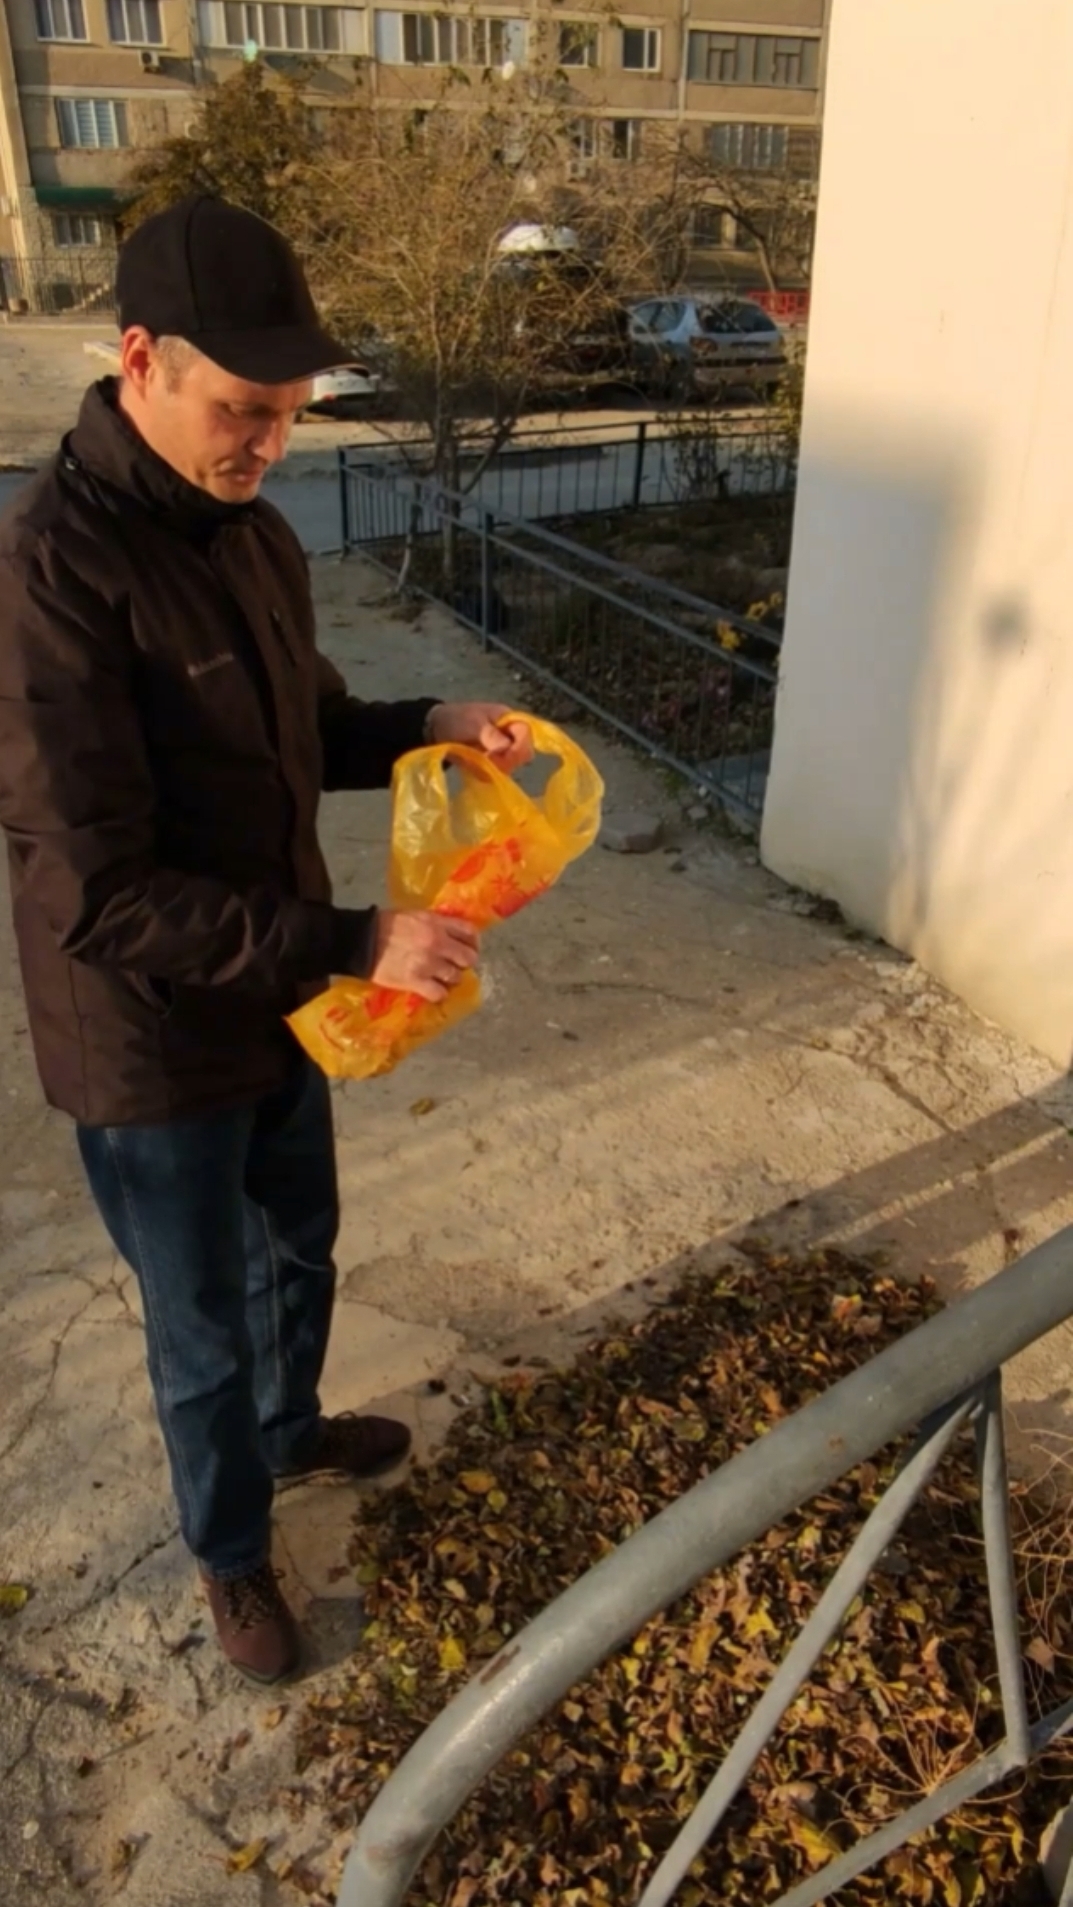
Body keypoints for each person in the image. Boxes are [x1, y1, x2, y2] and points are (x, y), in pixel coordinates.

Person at [0, 196, 533, 1685]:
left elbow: (309, 720)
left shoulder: (249, 532)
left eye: (291, 413)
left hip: (285, 988)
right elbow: (92, 894)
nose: (272, 444)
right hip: (149, 1038)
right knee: (201, 1327)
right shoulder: (47, 575)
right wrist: (360, 936)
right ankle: (230, 1548)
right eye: (244, 409)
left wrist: (430, 721)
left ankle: (291, 1433)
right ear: (140, 361)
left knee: (300, 1244)